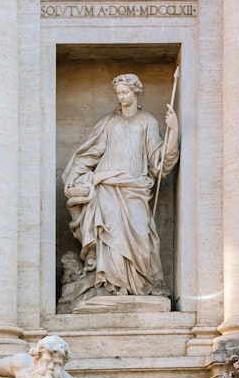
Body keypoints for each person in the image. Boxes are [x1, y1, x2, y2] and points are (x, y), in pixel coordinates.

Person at [62, 73, 178, 298]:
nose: (121, 96)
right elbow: (91, 153)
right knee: (110, 234)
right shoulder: (108, 123)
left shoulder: (148, 122)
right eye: (118, 93)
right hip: (107, 185)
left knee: (141, 233)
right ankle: (114, 285)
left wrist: (173, 131)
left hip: (135, 187)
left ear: (136, 92)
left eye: (125, 92)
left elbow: (160, 161)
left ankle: (140, 282)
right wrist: (75, 175)